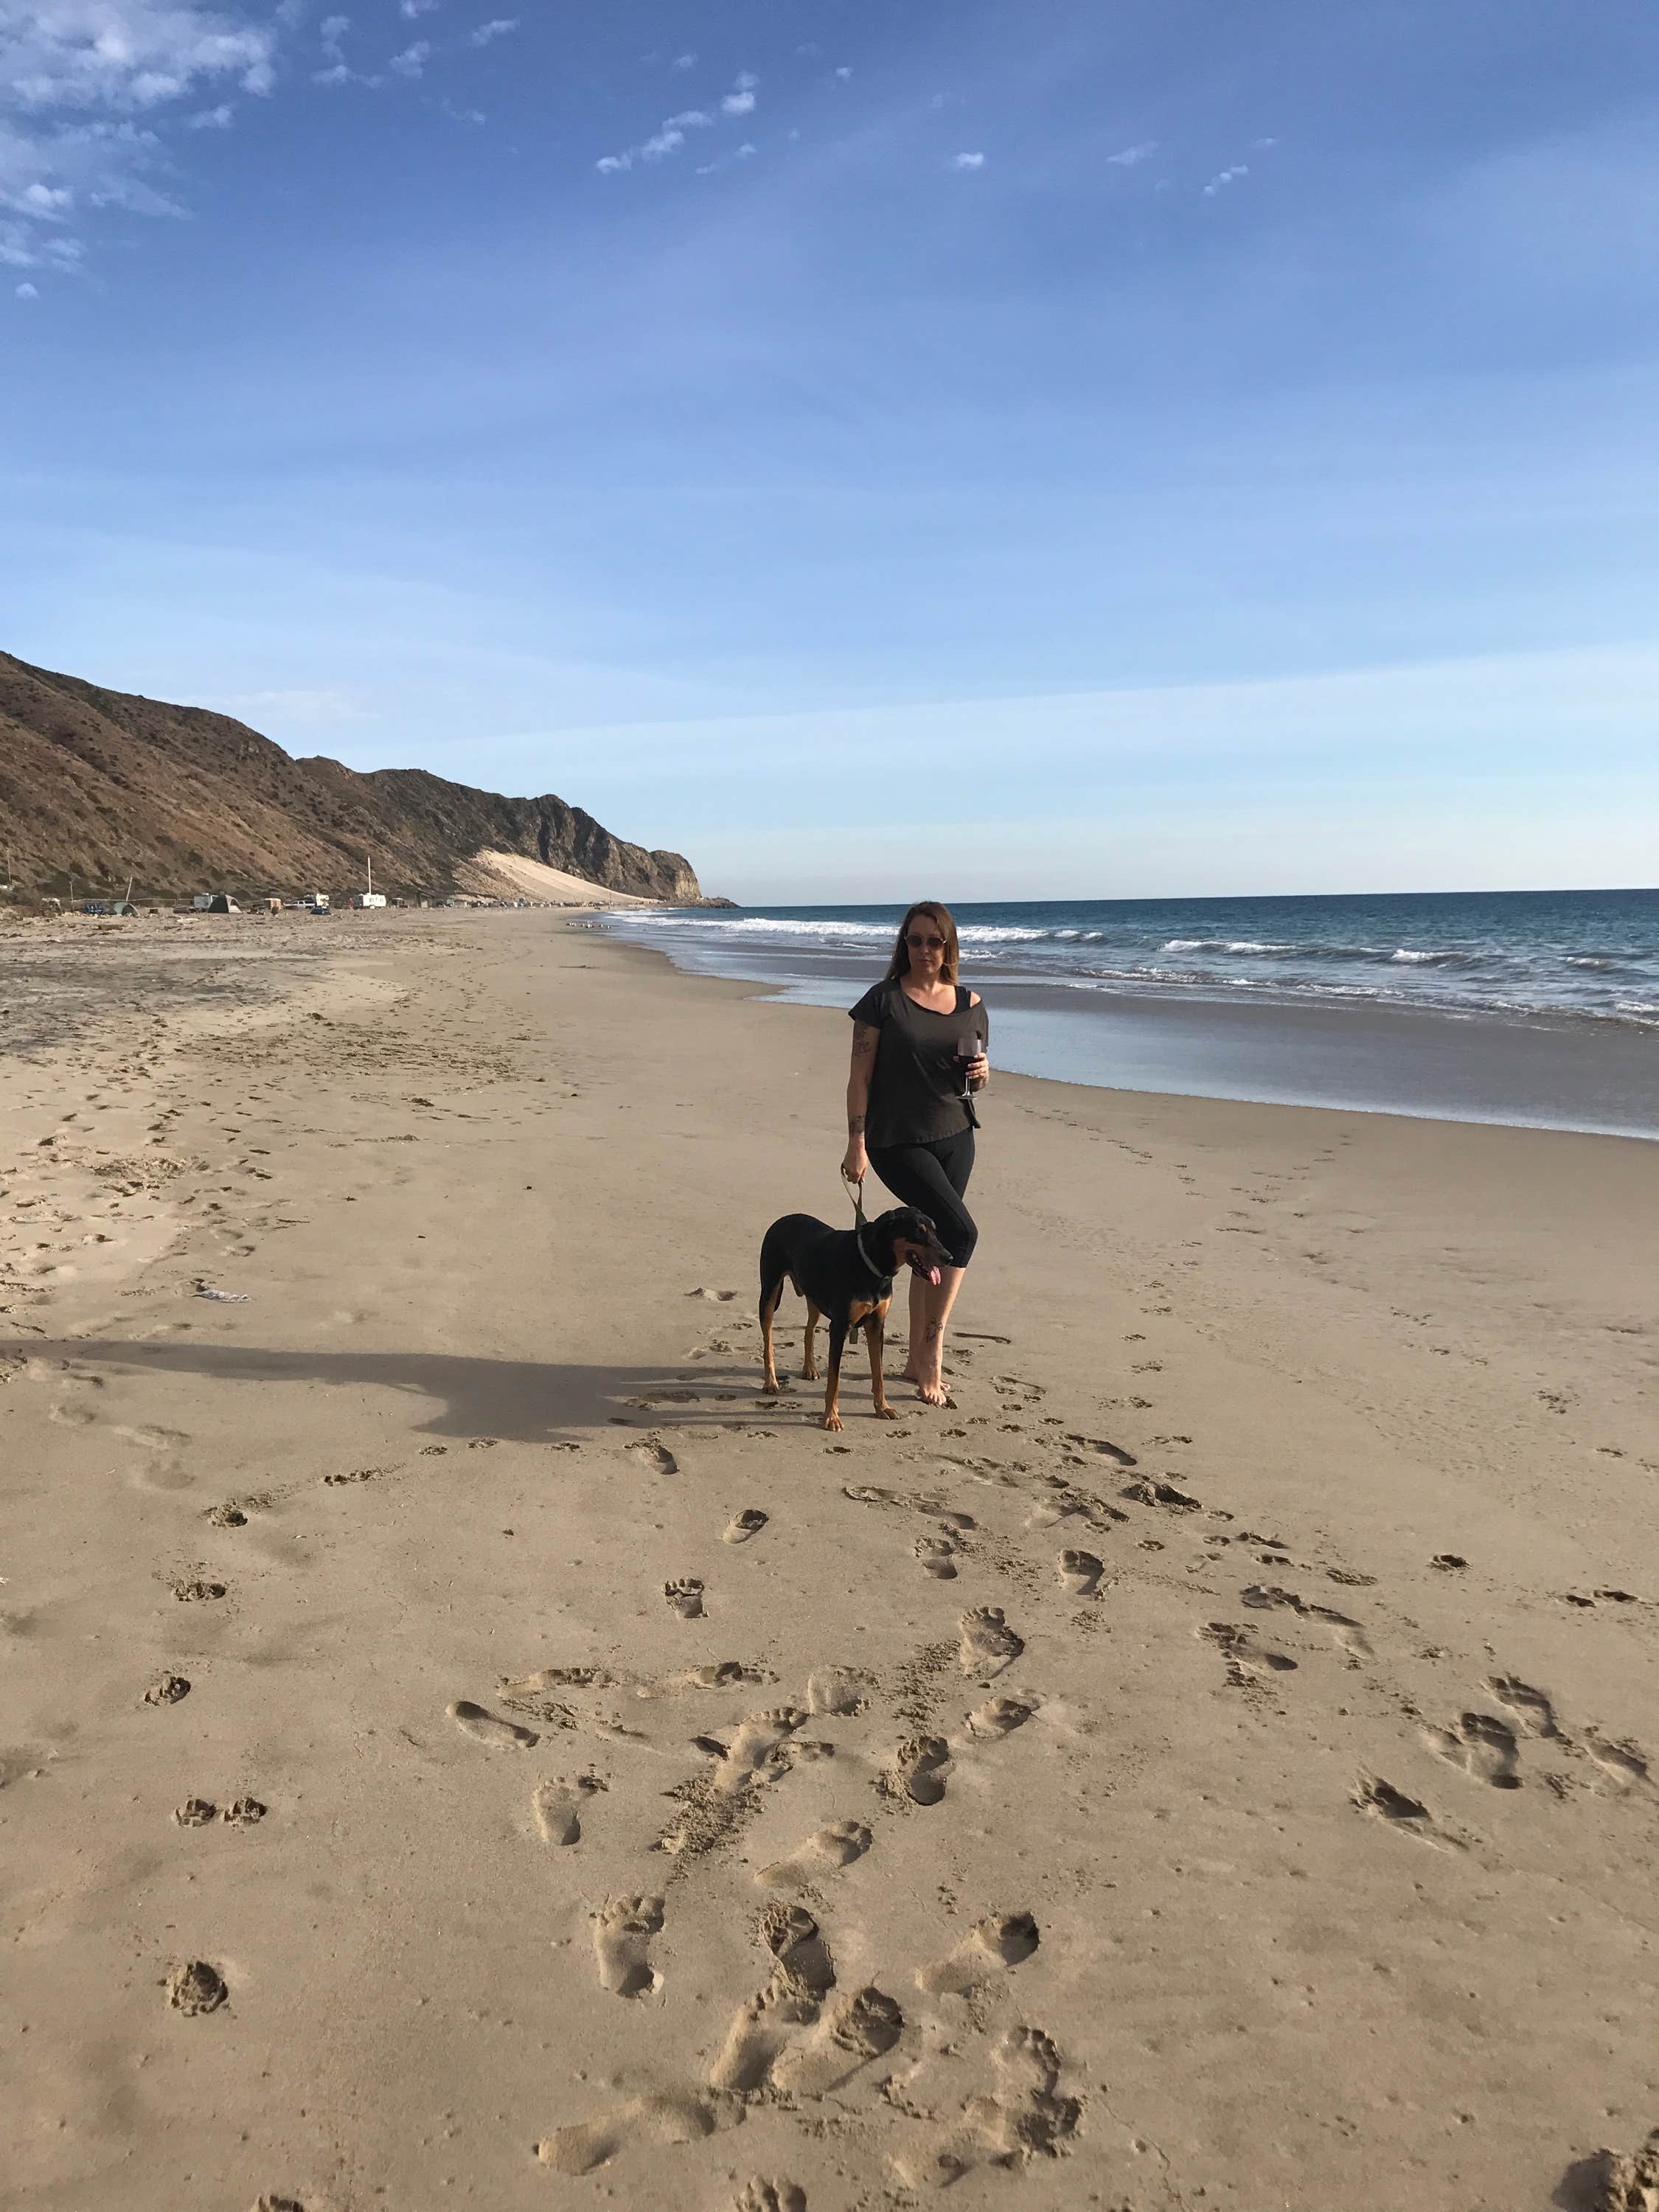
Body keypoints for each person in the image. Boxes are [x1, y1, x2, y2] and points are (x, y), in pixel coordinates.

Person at [842, 900, 989, 1406]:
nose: (924, 949)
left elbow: (971, 1076)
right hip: (896, 1140)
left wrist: (983, 1076)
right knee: (962, 1234)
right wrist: (856, 1142)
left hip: (956, 1134)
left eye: (934, 941)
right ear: (903, 944)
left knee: (932, 1247)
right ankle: (932, 1350)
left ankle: (910, 1359)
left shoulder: (971, 1002)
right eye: (915, 940)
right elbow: (859, 1079)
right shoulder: (882, 1001)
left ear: (948, 946)